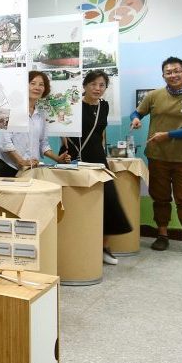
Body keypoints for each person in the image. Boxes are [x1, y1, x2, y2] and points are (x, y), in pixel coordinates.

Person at [131, 57, 182, 259]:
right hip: (157, 157)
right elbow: (138, 111)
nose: (173, 75)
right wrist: (135, 117)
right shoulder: (153, 95)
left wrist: (168, 135)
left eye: (177, 71)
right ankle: (162, 236)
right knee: (160, 198)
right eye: (168, 72)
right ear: (163, 76)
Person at [61, 70, 131, 265]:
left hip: (97, 156)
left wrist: (105, 153)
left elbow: (100, 132)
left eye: (102, 85)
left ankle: (104, 246)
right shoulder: (73, 104)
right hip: (73, 155)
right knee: (76, 201)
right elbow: (62, 128)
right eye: (93, 84)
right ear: (84, 85)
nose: (97, 88)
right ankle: (78, 245)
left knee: (109, 199)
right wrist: (65, 150)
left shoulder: (104, 106)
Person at [0, 71, 71, 177]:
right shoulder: (8, 108)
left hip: (30, 168)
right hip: (7, 166)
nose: (37, 87)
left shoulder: (41, 115)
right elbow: (4, 142)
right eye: (32, 83)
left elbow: (43, 143)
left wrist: (58, 158)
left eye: (41, 84)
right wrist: (21, 162)